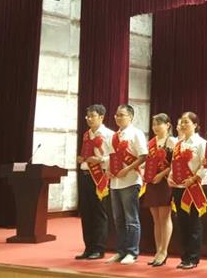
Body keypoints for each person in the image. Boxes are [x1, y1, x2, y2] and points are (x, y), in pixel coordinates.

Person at [106, 104, 148, 265]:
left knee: (131, 219)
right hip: (115, 182)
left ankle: (132, 252)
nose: (118, 117)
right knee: (118, 219)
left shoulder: (136, 133)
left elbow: (143, 155)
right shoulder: (114, 136)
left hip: (130, 180)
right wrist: (108, 170)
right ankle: (121, 251)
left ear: (130, 116)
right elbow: (111, 157)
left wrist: (127, 169)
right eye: (116, 115)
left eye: (121, 115)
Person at [169, 111, 207, 270]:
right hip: (178, 187)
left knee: (194, 223)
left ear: (195, 125)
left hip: (193, 188)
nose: (183, 125)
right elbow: (173, 164)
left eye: (187, 122)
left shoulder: (201, 143)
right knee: (182, 223)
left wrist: (194, 178)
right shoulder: (178, 144)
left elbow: (205, 164)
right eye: (182, 122)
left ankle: (193, 257)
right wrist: (170, 177)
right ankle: (184, 256)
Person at [74, 104, 114, 259]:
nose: (89, 119)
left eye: (93, 116)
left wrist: (101, 159)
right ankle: (88, 247)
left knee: (98, 213)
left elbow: (114, 156)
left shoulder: (109, 134)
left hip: (99, 177)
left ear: (101, 117)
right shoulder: (86, 134)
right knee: (86, 213)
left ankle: (99, 248)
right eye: (88, 116)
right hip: (85, 174)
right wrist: (81, 159)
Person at [141, 113, 177, 267]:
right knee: (156, 219)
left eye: (159, 124)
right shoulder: (151, 143)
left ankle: (164, 251)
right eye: (154, 124)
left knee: (164, 217)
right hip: (152, 182)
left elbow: (175, 164)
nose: (155, 127)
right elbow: (148, 162)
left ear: (167, 125)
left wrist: (161, 175)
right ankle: (157, 250)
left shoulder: (172, 141)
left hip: (165, 182)